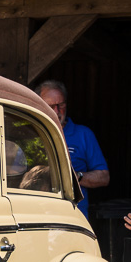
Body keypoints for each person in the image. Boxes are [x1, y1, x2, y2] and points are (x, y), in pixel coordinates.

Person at [36, 80, 109, 217]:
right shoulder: (30, 134)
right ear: (39, 106)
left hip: (73, 217)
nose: (57, 111)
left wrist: (76, 177)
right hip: (37, 213)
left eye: (61, 105)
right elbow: (13, 174)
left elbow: (104, 177)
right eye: (50, 106)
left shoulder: (83, 134)